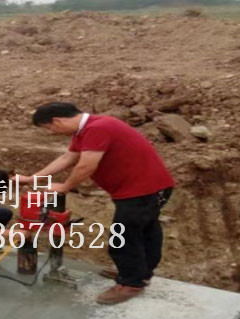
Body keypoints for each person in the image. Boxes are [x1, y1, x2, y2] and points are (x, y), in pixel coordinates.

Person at [15, 102, 175, 305]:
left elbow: (86, 165)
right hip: (145, 188)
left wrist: (65, 186)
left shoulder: (97, 128)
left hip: (143, 190)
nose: (52, 133)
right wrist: (33, 178)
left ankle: (131, 283)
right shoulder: (87, 129)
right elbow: (68, 157)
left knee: (124, 237)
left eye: (49, 128)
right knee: (145, 231)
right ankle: (140, 273)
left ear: (57, 121)